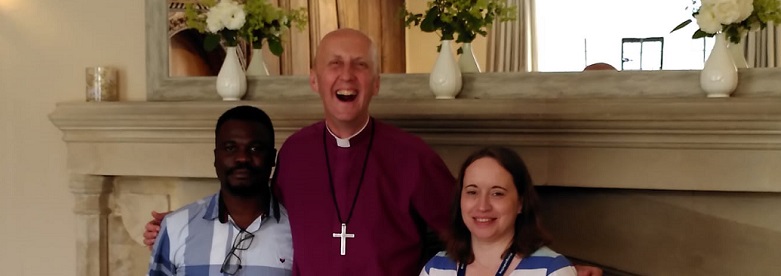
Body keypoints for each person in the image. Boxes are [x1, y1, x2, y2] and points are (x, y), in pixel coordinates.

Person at [145, 28, 603, 276]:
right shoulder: (297, 151)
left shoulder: (412, 155)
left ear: (375, 82)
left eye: (360, 65)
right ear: (315, 80)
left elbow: (476, 225)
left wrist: (551, 263)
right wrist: (182, 223)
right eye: (335, 64)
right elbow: (249, 200)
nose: (347, 75)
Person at [147, 105, 293, 275]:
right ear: (216, 157)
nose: (242, 158)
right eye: (231, 148)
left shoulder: (297, 231)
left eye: (255, 148)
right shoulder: (175, 227)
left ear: (272, 158)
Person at [420, 146, 577, 276]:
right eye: (472, 192)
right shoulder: (436, 269)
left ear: (521, 203)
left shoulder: (552, 271)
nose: (482, 206)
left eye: (497, 193)